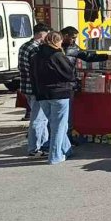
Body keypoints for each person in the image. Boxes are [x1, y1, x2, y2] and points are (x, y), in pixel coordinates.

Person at [32, 32, 77, 165]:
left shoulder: (36, 56)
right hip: (59, 93)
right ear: (57, 42)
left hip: (42, 94)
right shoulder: (57, 55)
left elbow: (33, 76)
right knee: (59, 126)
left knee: (55, 123)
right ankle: (55, 156)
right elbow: (69, 73)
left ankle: (66, 149)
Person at [19, 23, 51, 157]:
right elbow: (37, 70)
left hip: (26, 86)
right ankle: (34, 148)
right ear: (41, 33)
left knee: (40, 118)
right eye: (46, 34)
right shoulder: (36, 48)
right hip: (36, 88)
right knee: (38, 119)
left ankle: (43, 145)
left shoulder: (24, 46)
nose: (47, 37)